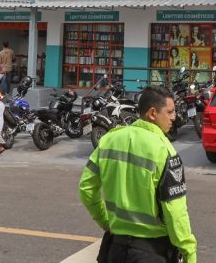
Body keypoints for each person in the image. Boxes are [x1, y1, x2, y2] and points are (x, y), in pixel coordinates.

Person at [79, 87, 197, 263]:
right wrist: (189, 253)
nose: (174, 117)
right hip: (152, 252)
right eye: (170, 112)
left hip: (115, 249)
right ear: (152, 113)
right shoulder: (164, 151)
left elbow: (86, 189)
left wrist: (105, 222)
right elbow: (175, 212)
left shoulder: (109, 141)